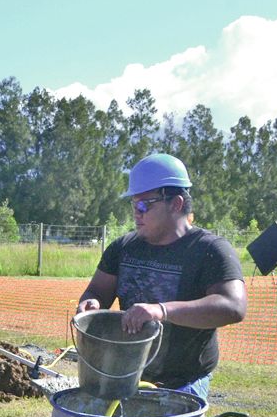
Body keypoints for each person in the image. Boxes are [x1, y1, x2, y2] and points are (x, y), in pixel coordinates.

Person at [77, 153, 246, 400]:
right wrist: (91, 304)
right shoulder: (123, 248)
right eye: (133, 205)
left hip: (182, 385)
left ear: (176, 203)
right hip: (125, 377)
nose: (137, 213)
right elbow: (97, 293)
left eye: (144, 205)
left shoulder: (210, 250)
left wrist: (161, 310)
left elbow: (233, 306)